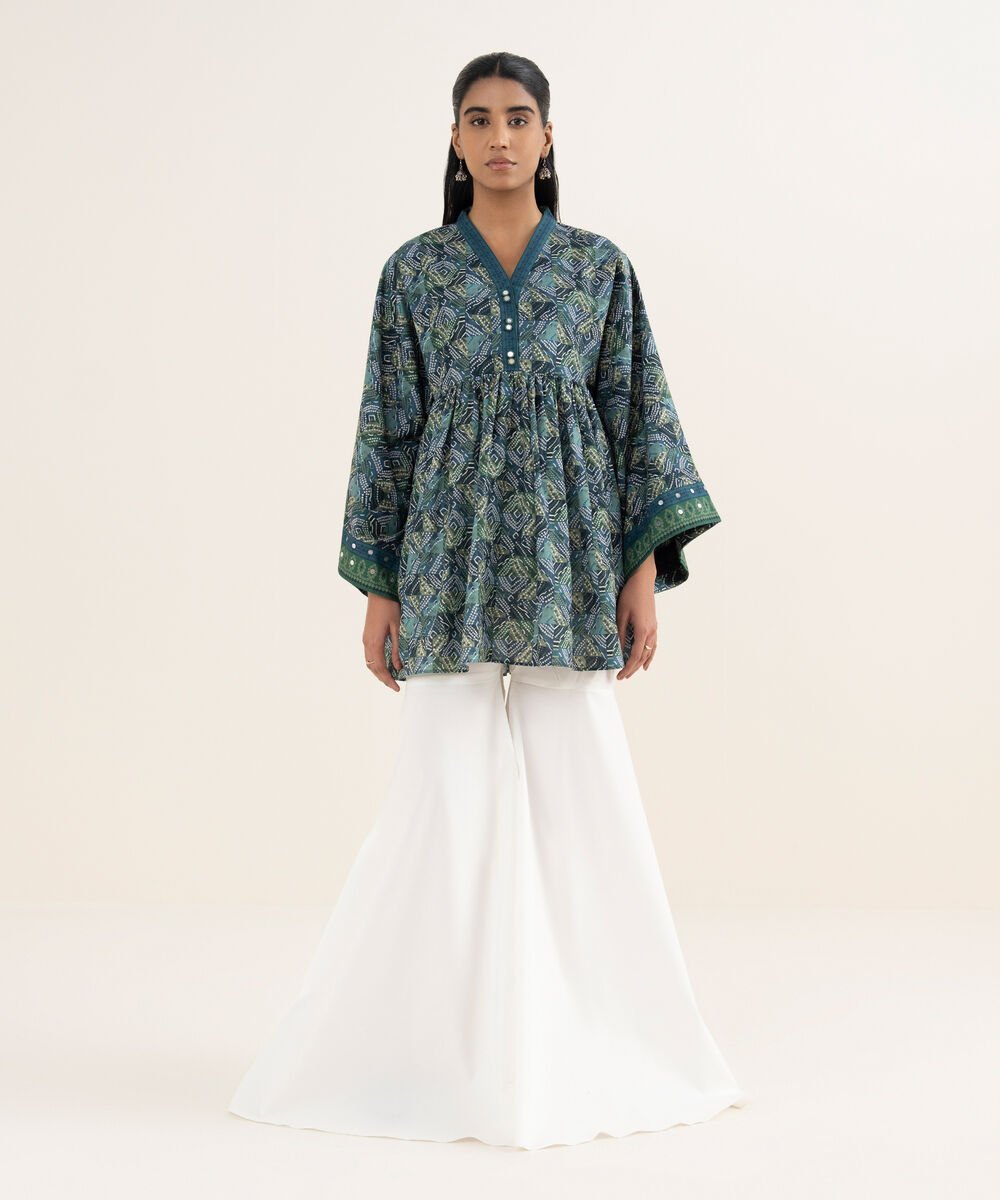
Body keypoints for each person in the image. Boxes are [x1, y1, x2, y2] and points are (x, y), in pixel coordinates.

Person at [228, 51, 749, 1151]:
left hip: (570, 560)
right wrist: (378, 586)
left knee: (586, 804)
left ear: (549, 136)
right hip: (443, 562)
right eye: (478, 119)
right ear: (455, 140)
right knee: (441, 800)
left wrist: (641, 572)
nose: (500, 137)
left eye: (518, 118)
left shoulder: (599, 269)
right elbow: (386, 431)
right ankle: (423, 1051)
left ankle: (604, 1040)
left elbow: (637, 418)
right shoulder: (413, 274)